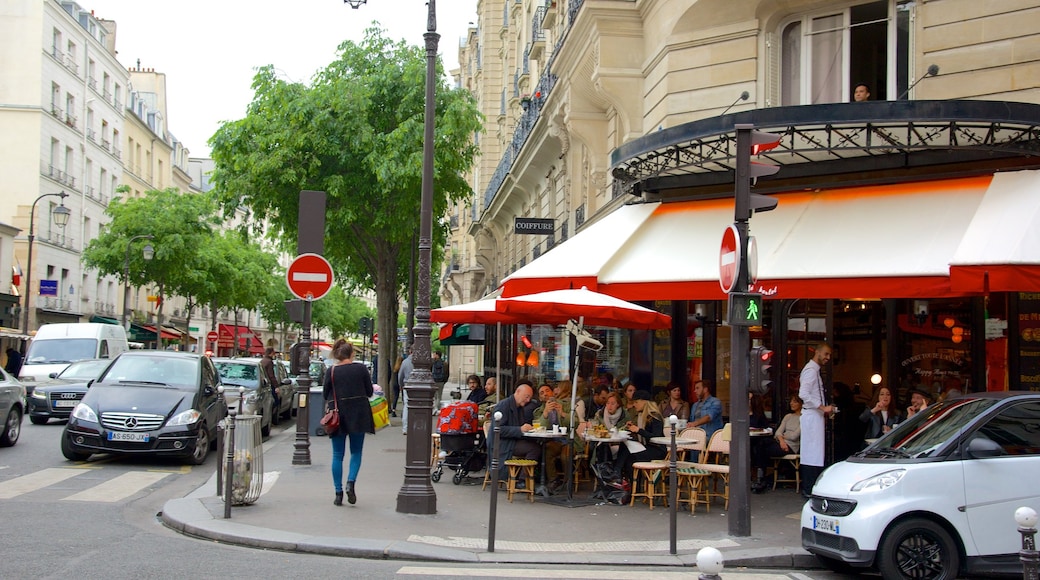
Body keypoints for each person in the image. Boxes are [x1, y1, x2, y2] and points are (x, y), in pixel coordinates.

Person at [323, 341, 375, 506]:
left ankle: (338, 493)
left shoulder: (331, 371)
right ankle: (350, 482)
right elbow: (369, 391)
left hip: (338, 415)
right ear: (351, 354)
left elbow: (325, 394)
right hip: (359, 413)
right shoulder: (361, 369)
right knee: (356, 452)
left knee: (337, 455)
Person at [798, 343, 834, 498]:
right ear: (817, 352)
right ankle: (808, 487)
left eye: (829, 355)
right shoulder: (811, 371)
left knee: (815, 452)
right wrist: (822, 407)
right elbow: (803, 394)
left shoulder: (814, 371)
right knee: (812, 452)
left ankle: (810, 486)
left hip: (815, 415)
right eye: (825, 354)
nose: (828, 358)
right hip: (812, 415)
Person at [487, 381, 541, 483]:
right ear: (518, 392)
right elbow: (498, 429)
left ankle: (525, 477)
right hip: (502, 443)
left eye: (530, 397)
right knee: (534, 448)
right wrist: (520, 429)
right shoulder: (503, 406)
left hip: (510, 440)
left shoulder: (519, 407)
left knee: (536, 445)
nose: (528, 400)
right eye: (526, 396)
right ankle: (522, 479)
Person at [751, 395, 802, 492]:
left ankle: (760, 478)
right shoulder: (788, 416)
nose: (791, 403)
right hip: (781, 444)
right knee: (761, 443)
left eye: (795, 401)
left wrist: (782, 437)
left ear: (801, 404)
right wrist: (782, 440)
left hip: (791, 446)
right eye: (791, 401)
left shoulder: (804, 418)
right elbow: (777, 432)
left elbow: (794, 436)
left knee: (761, 449)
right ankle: (761, 478)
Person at [615, 390, 667, 482]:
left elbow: (656, 437)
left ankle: (618, 474)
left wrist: (639, 430)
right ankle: (619, 474)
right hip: (647, 447)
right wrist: (632, 430)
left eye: (636, 402)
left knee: (631, 458)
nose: (634, 405)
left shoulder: (655, 416)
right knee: (625, 445)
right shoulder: (641, 416)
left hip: (657, 450)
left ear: (644, 401)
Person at [398, 348, 414, 435]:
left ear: (410, 352)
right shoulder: (421, 361)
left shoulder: (405, 362)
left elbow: (400, 375)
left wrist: (401, 385)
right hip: (419, 387)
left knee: (406, 406)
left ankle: (405, 428)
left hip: (407, 386)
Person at [259, 347, 280, 412]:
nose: (274, 355)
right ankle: (272, 414)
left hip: (263, 382)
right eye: (273, 353)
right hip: (269, 384)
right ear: (271, 353)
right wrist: (276, 386)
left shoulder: (262, 361)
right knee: (276, 401)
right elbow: (271, 375)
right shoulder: (269, 362)